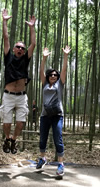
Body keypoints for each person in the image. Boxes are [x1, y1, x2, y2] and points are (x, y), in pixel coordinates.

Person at [0, 9, 36, 154]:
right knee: (6, 122)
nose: (20, 49)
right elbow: (6, 38)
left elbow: (33, 44)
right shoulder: (8, 57)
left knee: (20, 123)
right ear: (14, 49)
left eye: (22, 48)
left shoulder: (26, 59)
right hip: (8, 95)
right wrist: (4, 22)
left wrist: (32, 28)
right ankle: (7, 138)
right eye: (18, 47)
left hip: (21, 96)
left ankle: (13, 140)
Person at [36, 46, 71, 176]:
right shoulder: (44, 84)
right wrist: (44, 59)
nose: (53, 76)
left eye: (55, 75)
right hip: (45, 115)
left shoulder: (59, 84)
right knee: (42, 139)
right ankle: (42, 158)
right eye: (51, 74)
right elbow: (40, 71)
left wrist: (65, 56)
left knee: (58, 138)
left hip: (57, 115)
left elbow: (64, 70)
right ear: (48, 76)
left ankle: (61, 164)